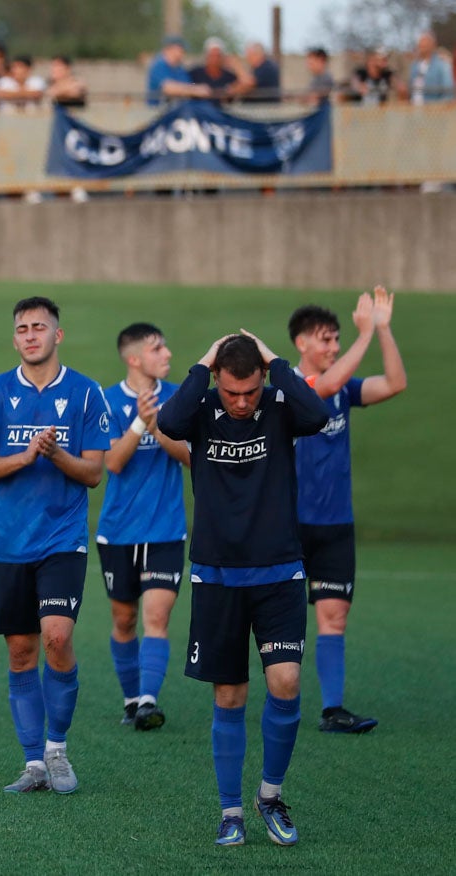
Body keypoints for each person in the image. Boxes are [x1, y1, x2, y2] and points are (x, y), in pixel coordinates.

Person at [157, 332, 330, 847]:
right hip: (217, 575)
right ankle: (231, 810)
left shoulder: (279, 404)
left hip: (278, 571)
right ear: (217, 380)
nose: (240, 401)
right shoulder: (202, 407)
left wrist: (275, 362)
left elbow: (317, 415)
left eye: (249, 390)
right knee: (229, 695)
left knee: (285, 682)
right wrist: (203, 362)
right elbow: (167, 422)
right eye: (231, 391)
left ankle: (270, 796)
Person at [0, 296, 110, 795]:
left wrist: (58, 454)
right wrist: (27, 456)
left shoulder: (87, 394)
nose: (31, 335)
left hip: (61, 540)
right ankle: (32, 764)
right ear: (15, 339)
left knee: (56, 636)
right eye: (22, 329)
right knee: (22, 651)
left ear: (58, 335)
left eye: (40, 327)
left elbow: (94, 472)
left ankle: (57, 749)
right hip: (8, 543)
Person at [288, 287, 406, 733]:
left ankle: (332, 710)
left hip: (336, 523)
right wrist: (365, 332)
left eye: (337, 340)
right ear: (302, 343)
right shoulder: (292, 386)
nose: (333, 347)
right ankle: (281, 701)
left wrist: (385, 329)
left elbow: (395, 383)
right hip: (290, 523)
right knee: (283, 618)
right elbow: (330, 382)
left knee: (334, 615)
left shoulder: (344, 388)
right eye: (326, 339)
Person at [96, 324, 190, 731]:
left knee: (157, 616)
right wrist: (139, 423)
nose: (167, 353)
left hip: (166, 529)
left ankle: (149, 701)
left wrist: (155, 426)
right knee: (123, 619)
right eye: (157, 348)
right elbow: (112, 463)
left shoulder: (177, 399)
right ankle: (131, 699)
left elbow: (188, 455)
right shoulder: (105, 400)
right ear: (134, 359)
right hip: (117, 531)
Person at [189, 37, 254, 103]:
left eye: (218, 56)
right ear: (206, 56)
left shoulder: (228, 76)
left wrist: (236, 65)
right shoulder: (196, 73)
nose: (215, 59)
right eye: (212, 55)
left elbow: (248, 83)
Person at [145, 36, 200, 106]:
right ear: (170, 49)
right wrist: (195, 90)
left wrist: (194, 87)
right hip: (157, 110)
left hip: (177, 109)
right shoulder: (159, 65)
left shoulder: (179, 68)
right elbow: (169, 88)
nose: (182, 53)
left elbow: (189, 84)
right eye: (180, 50)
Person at [407, 31, 453, 104]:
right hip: (414, 109)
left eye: (425, 43)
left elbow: (448, 92)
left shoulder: (442, 65)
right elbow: (410, 89)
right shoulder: (414, 66)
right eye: (420, 43)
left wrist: (438, 109)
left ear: (432, 45)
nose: (421, 45)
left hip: (433, 110)